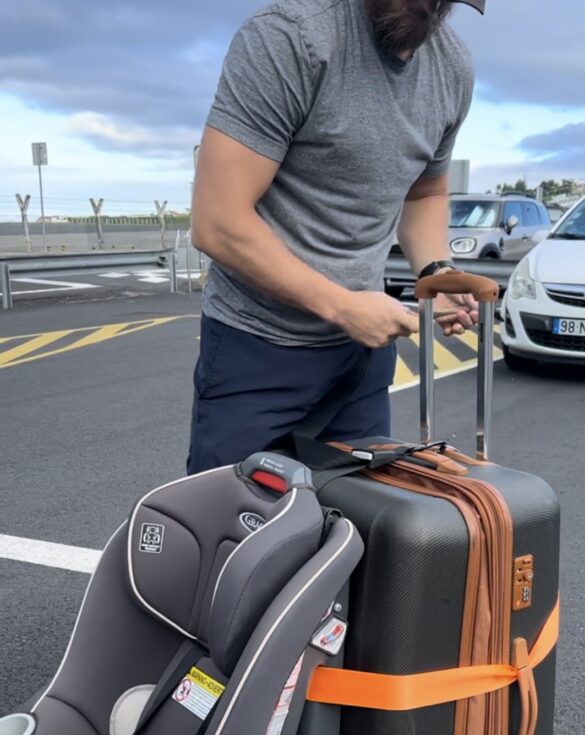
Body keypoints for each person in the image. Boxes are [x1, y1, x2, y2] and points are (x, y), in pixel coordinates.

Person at [189, 0, 484, 474]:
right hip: (258, 347)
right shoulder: (292, 36)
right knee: (236, 532)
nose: (428, 10)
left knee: (358, 528)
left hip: (360, 361)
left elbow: (425, 192)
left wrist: (437, 274)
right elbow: (217, 219)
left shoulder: (452, 67)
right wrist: (341, 305)